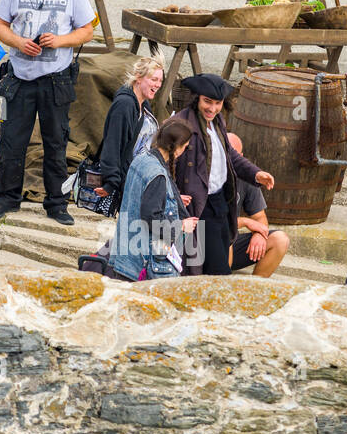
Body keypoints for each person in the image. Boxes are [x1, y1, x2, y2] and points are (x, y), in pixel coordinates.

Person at [0, 0, 96, 226]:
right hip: (19, 78)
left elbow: (87, 31)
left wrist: (60, 41)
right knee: (11, 141)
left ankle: (57, 204)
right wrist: (20, 43)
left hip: (56, 80)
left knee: (56, 143)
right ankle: (7, 199)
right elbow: (0, 25)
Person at [169, 73, 274, 276]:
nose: (212, 108)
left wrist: (256, 174)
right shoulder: (180, 123)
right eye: (207, 102)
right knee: (215, 270)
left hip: (220, 203)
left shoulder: (217, 122)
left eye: (218, 103)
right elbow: (163, 161)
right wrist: (172, 195)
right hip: (198, 205)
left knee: (214, 266)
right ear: (197, 97)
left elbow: (230, 155)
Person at [110, 120, 198, 281]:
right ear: (177, 147)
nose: (184, 151)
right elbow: (151, 217)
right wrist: (181, 226)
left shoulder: (141, 159)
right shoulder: (157, 174)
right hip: (143, 263)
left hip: (125, 256)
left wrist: (169, 197)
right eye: (185, 146)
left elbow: (139, 197)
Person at [93, 56, 164, 203]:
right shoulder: (124, 105)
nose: (158, 85)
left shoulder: (143, 103)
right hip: (125, 179)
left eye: (160, 81)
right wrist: (111, 181)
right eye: (153, 79)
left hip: (137, 175)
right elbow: (113, 144)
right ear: (138, 77)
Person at [226, 132, 289, 278]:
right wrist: (245, 222)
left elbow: (260, 217)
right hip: (207, 245)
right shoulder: (203, 177)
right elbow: (208, 224)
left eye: (232, 155)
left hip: (231, 241)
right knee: (223, 238)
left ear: (240, 157)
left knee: (279, 239)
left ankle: (254, 289)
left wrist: (259, 234)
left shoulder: (246, 177)